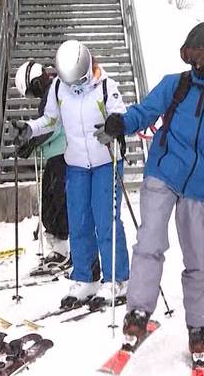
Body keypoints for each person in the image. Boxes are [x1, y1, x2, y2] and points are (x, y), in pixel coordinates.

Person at [96, 21, 204, 358]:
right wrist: (122, 122)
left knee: (198, 255)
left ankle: (199, 326)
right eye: (190, 54)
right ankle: (138, 311)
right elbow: (146, 110)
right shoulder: (176, 85)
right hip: (163, 171)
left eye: (200, 55)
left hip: (201, 184)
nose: (194, 62)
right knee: (150, 240)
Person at [8, 40, 129, 309]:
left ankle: (117, 278)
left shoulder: (107, 86)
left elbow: (120, 116)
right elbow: (51, 119)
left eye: (78, 80)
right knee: (79, 221)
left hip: (105, 161)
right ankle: (85, 277)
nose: (74, 85)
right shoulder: (59, 88)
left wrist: (113, 127)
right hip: (75, 163)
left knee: (106, 220)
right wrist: (29, 128)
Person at [13, 61, 72, 274]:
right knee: (51, 202)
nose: (33, 96)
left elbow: (53, 124)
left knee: (57, 203)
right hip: (57, 154)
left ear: (37, 79)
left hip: (64, 155)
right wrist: (31, 141)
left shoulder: (55, 89)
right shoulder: (50, 91)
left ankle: (63, 251)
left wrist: (32, 141)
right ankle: (59, 249)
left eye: (31, 91)